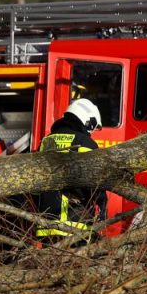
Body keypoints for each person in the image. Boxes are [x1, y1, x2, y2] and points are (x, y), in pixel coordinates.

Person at [36, 98, 108, 244]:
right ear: (87, 120)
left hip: (47, 222)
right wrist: (102, 206)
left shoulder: (46, 141)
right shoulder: (85, 143)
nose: (91, 132)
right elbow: (95, 182)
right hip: (74, 224)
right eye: (92, 126)